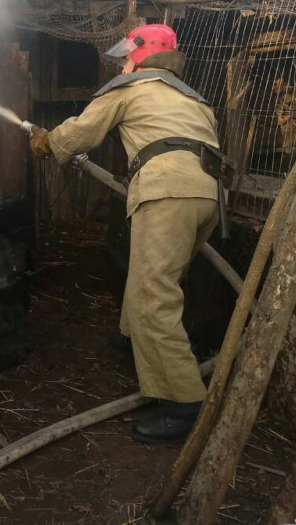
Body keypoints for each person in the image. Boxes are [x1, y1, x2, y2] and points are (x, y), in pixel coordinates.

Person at [29, 23, 221, 444]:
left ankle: (183, 405)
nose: (124, 62)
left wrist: (47, 143)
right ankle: (129, 340)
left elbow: (83, 132)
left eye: (127, 56)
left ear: (141, 54)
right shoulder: (193, 100)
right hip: (207, 198)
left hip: (166, 193)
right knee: (154, 278)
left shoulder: (131, 87)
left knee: (155, 296)